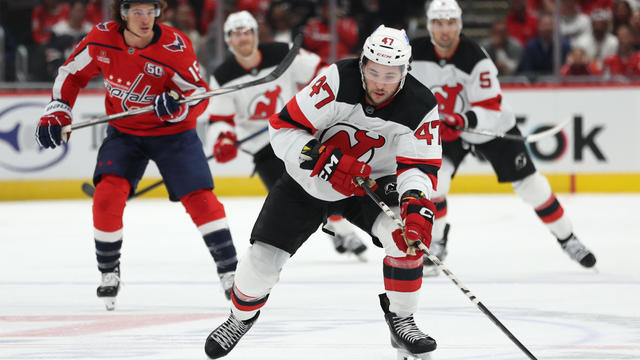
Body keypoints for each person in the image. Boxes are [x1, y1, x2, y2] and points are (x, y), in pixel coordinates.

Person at [203, 25, 442, 359]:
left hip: (371, 184)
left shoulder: (420, 104)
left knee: (405, 238)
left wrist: (415, 203)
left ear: (405, 71)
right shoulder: (337, 79)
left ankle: (402, 320)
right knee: (261, 262)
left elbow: (418, 168)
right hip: (309, 182)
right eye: (373, 71)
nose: (379, 83)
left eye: (390, 74)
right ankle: (239, 318)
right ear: (362, 64)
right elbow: (283, 129)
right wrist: (323, 160)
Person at [34, 0, 239, 310]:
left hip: (173, 134)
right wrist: (59, 107)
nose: (145, 19)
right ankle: (108, 272)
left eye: (150, 11)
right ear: (123, 13)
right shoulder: (101, 38)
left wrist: (177, 104)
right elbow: (71, 73)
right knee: (106, 196)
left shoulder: (174, 45)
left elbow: (198, 92)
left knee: (200, 198)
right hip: (125, 133)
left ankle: (230, 270)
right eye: (137, 12)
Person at [410, 0, 597, 276]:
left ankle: (568, 238)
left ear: (459, 25)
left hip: (487, 127)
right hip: (444, 130)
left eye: (450, 23)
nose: (445, 30)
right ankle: (436, 242)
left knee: (531, 186)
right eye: (438, 23)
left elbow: (491, 108)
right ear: (429, 25)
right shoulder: (414, 53)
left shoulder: (476, 58)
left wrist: (464, 120)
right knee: (435, 183)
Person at [207, 10, 368, 260]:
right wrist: (223, 140)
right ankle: (339, 230)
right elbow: (221, 119)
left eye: (247, 32)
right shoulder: (223, 75)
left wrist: (318, 100)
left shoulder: (282, 53)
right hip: (263, 147)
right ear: (228, 40)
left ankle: (343, 231)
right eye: (236, 34)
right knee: (295, 194)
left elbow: (322, 71)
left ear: (255, 34)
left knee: (322, 179)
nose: (243, 38)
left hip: (295, 133)